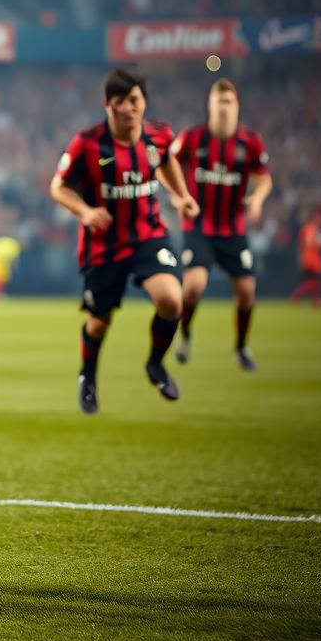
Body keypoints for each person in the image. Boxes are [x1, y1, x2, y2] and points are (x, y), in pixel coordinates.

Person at [49, 68, 200, 415]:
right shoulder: (86, 143)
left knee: (171, 300)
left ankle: (155, 364)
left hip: (148, 235)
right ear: (108, 105)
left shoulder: (158, 136)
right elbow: (58, 187)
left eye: (136, 100)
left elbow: (166, 161)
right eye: (121, 101)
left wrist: (181, 195)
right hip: (103, 244)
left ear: (144, 102)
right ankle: (88, 376)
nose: (130, 108)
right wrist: (85, 212)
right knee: (100, 322)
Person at [172, 79, 272, 370]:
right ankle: (186, 335)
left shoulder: (250, 142)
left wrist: (258, 199)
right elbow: (170, 164)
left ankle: (241, 347)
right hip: (198, 227)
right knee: (193, 287)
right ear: (210, 105)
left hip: (233, 229)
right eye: (220, 102)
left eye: (229, 102)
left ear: (238, 106)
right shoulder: (192, 138)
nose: (225, 107)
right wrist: (178, 195)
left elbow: (264, 177)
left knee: (246, 293)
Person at [290, 209, 321, 308]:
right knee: (315, 280)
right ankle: (298, 295)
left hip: (307, 258)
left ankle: (315, 300)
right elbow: (314, 244)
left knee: (314, 280)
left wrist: (300, 258)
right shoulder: (313, 229)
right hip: (312, 258)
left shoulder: (305, 228)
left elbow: (300, 244)